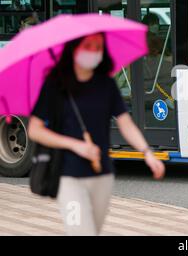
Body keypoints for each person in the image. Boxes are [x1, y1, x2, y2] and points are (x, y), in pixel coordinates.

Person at [27, 32, 165, 236]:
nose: (94, 51)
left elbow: (125, 123)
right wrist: (75, 145)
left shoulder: (106, 84)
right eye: (88, 45)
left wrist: (147, 152)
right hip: (68, 176)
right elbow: (35, 130)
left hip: (102, 176)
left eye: (99, 47)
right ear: (74, 48)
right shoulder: (55, 85)